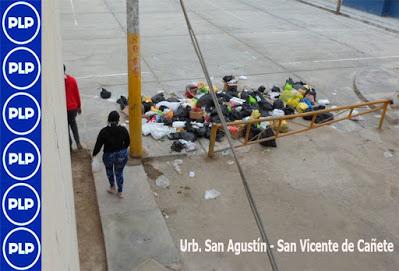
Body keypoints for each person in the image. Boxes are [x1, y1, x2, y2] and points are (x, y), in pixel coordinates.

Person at [92, 111, 130, 198]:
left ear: (108, 120)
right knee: (119, 173)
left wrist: (94, 154)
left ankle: (112, 187)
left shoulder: (104, 131)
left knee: (109, 171)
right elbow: (128, 142)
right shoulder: (123, 130)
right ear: (118, 120)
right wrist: (122, 149)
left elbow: (98, 145)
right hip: (121, 155)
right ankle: (120, 191)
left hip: (109, 155)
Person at [64, 64, 83, 150]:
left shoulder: (57, 83)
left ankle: (69, 145)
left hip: (64, 109)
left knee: (65, 127)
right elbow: (76, 94)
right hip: (73, 108)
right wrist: (79, 106)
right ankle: (78, 143)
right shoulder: (72, 80)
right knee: (73, 125)